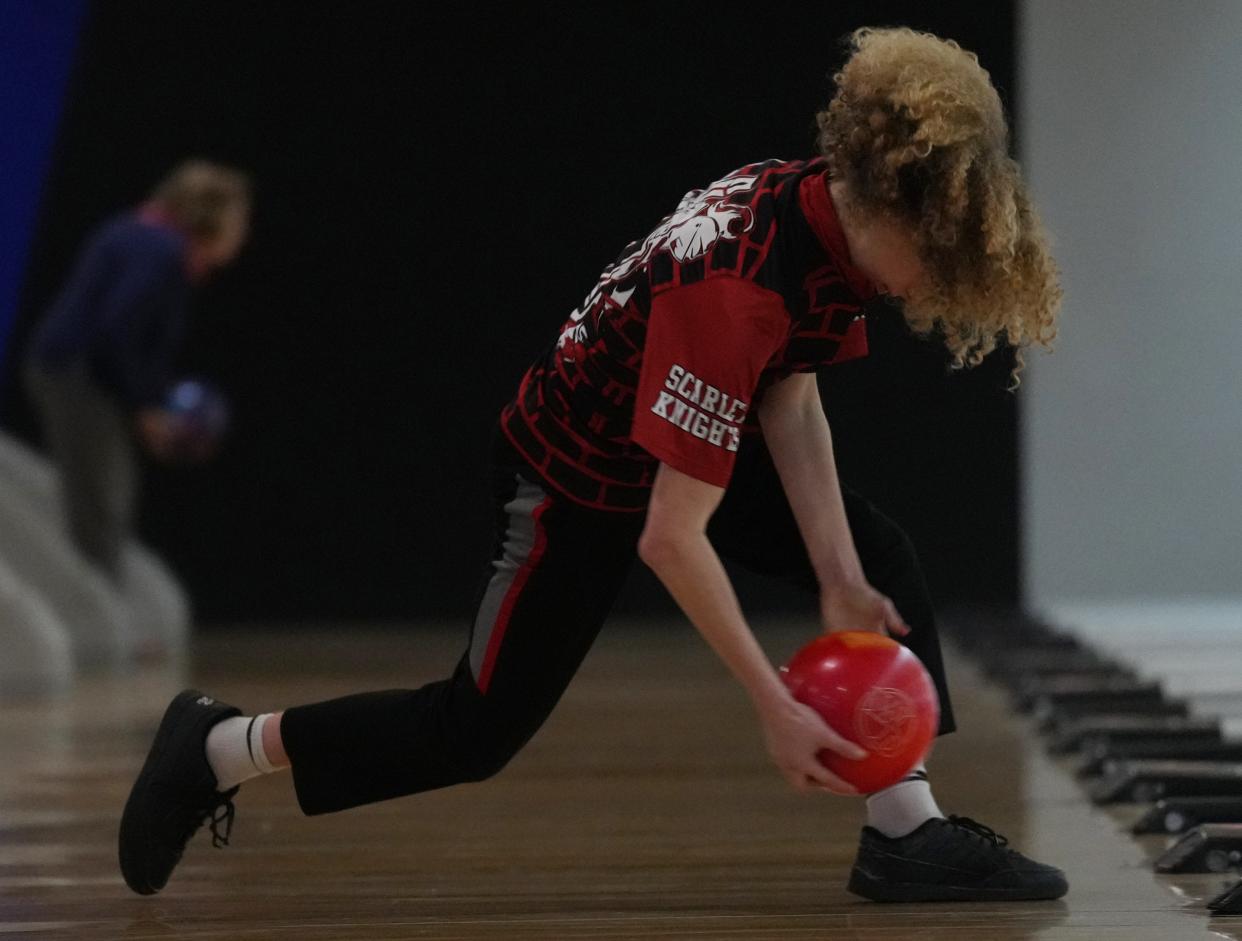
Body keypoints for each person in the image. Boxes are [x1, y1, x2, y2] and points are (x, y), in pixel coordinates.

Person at [120, 28, 1066, 902]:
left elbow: (790, 391)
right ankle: (217, 745)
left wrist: (837, 576)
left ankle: (906, 832)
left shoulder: (816, 211)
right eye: (932, 251)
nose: (931, 279)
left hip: (677, 440)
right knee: (473, 731)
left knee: (877, 558)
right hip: (574, 478)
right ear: (890, 204)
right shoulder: (739, 292)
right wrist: (776, 704)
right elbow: (670, 538)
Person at [24, 160, 251, 580]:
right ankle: (100, 634)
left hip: (85, 376)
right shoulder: (159, 249)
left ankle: (110, 619)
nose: (243, 230)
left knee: (109, 498)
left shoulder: (149, 237)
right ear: (210, 217)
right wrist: (146, 407)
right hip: (77, 376)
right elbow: (116, 330)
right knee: (100, 506)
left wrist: (145, 401)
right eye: (239, 218)